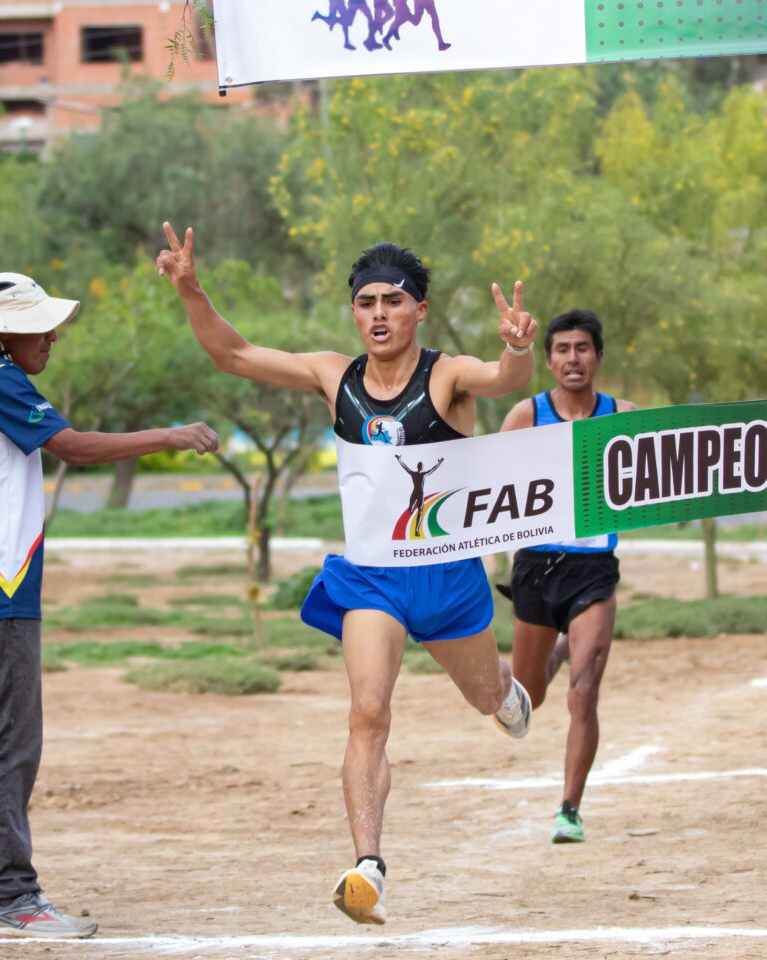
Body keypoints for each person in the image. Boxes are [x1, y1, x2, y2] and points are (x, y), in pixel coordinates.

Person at [156, 223, 536, 925]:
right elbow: (233, 355)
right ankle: (369, 868)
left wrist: (517, 345)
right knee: (368, 710)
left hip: (449, 578)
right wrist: (192, 290)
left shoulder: (446, 376)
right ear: (354, 312)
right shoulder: (334, 375)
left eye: (394, 300)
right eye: (367, 302)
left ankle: (506, 691)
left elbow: (506, 379)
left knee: (487, 698)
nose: (380, 314)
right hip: (373, 578)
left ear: (420, 309)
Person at [0, 273, 219, 939]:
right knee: (14, 744)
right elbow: (74, 447)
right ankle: (13, 894)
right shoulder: (4, 379)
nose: (54, 336)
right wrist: (171, 436)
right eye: (40, 324)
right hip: (5, 596)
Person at [498, 308, 636, 845]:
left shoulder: (621, 415)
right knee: (530, 695)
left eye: (583, 348)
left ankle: (569, 809)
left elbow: (657, 474)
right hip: (536, 567)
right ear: (549, 360)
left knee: (584, 692)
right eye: (562, 350)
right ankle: (553, 651)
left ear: (598, 357)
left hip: (594, 570)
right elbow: (488, 490)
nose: (572, 359)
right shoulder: (525, 415)